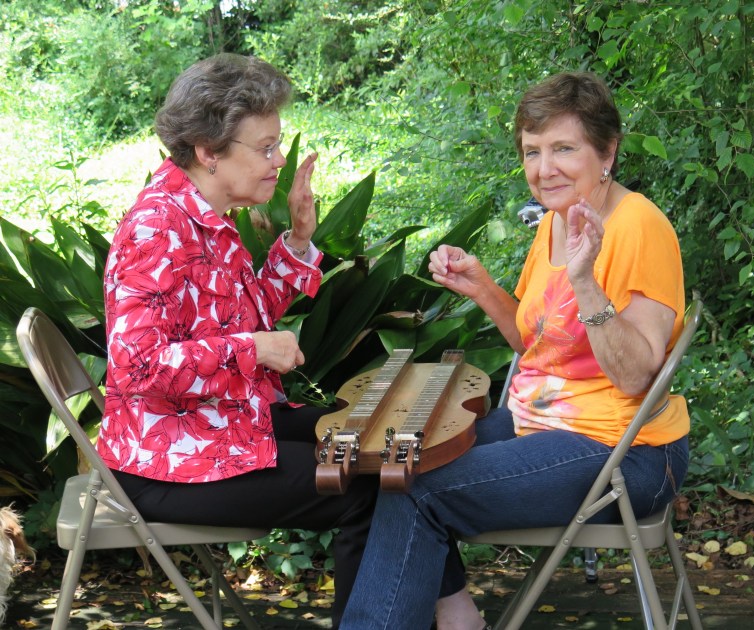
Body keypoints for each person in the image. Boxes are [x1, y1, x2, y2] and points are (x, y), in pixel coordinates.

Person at [340, 72, 690, 629]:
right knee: (397, 464)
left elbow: (636, 375)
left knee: (420, 491)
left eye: (563, 148)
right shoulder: (555, 219)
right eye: (532, 151)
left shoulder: (638, 226)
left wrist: (585, 281)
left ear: (608, 151)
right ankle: (460, 619)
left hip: (627, 452)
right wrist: (481, 286)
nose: (544, 168)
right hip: (541, 428)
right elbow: (537, 345)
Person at [96, 53, 377, 629]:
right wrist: (254, 350)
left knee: (374, 440)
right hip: (165, 462)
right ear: (208, 150)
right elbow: (136, 366)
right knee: (366, 485)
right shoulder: (157, 228)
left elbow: (246, 313)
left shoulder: (208, 215)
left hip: (220, 420)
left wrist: (300, 236)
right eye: (266, 147)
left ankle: (447, 615)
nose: (278, 161)